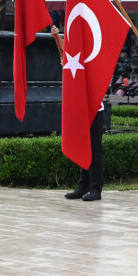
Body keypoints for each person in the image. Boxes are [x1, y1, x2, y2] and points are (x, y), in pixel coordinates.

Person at [52, 25, 106, 202]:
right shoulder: (79, 50)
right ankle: (82, 185)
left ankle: (95, 188)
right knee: (82, 146)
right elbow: (68, 48)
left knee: (94, 149)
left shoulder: (95, 52)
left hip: (94, 108)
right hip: (79, 106)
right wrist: (56, 36)